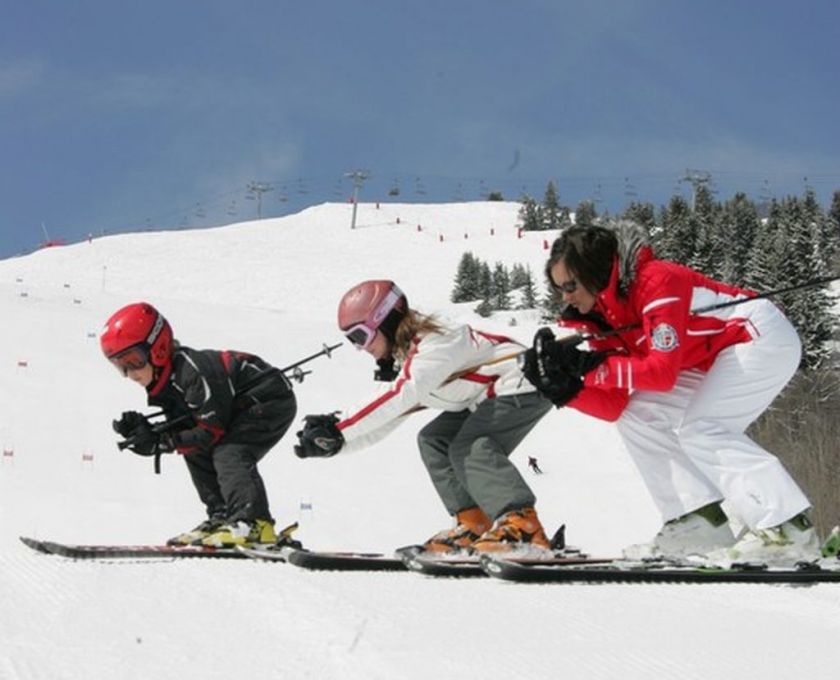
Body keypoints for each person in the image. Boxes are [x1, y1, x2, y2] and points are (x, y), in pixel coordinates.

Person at [523, 221, 819, 566]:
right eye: (560, 288)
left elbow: (661, 373)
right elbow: (616, 406)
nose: (566, 297)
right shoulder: (603, 318)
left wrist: (589, 367)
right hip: (705, 358)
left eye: (570, 285)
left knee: (703, 426)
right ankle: (697, 522)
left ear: (595, 271)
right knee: (640, 416)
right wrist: (565, 389)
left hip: (755, 336)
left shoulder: (656, 280)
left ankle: (786, 529)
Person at [293, 279, 554, 555]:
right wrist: (337, 443)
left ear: (385, 320)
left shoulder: (437, 341)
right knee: (434, 440)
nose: (360, 347)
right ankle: (474, 523)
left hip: (522, 382)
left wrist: (338, 428)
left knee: (472, 446)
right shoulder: (407, 357)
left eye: (360, 336)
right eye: (351, 340)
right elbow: (392, 414)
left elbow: (400, 395)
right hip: (484, 396)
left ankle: (524, 527)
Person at [100, 302, 297, 547]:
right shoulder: (166, 382)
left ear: (158, 348)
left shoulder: (191, 372)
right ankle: (222, 515)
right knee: (193, 447)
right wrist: (150, 434)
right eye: (120, 365)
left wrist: (163, 442)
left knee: (229, 451)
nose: (130, 373)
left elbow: (209, 429)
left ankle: (254, 523)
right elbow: (188, 430)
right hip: (237, 408)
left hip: (269, 400)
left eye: (133, 360)